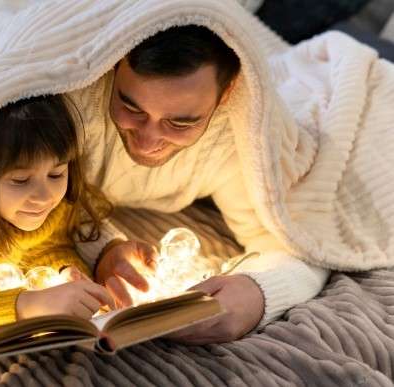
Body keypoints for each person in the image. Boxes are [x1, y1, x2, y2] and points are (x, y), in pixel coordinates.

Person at [68, 25, 330, 344]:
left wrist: (257, 293)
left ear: (228, 92)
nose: (148, 141)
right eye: (131, 108)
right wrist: (104, 246)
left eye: (180, 122)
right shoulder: (74, 98)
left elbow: (302, 243)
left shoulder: (239, 139)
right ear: (115, 63)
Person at [0, 95, 118, 344]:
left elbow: (52, 244)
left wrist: (64, 273)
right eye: (20, 180)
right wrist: (29, 305)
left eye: (56, 174)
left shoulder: (59, 207)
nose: (44, 197)